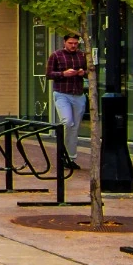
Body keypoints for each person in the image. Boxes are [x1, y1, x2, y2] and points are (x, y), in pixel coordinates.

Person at [46, 32, 89, 174]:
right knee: (67, 122)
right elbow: (49, 74)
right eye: (70, 43)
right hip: (62, 93)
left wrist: (84, 72)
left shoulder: (82, 56)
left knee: (75, 127)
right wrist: (63, 74)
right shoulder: (56, 55)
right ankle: (63, 154)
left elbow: (91, 71)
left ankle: (70, 157)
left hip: (78, 94)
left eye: (76, 43)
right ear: (64, 42)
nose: (73, 46)